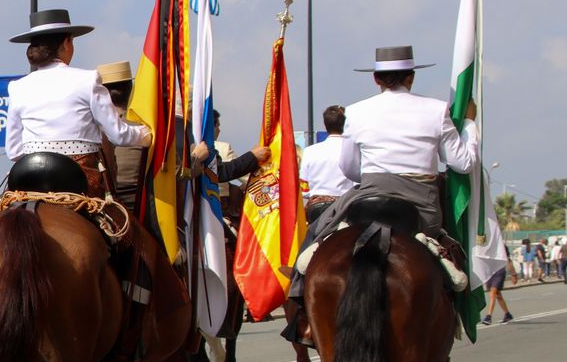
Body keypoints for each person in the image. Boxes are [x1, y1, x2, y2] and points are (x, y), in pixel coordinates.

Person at [286, 45, 478, 339]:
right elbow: (463, 163)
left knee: (318, 233)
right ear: (411, 77)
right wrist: (469, 124)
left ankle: (302, 312)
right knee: (454, 248)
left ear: (376, 79)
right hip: (420, 206)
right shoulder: (436, 109)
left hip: (368, 198)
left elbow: (349, 169)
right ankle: (452, 309)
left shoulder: (357, 112)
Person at [3, 8, 149, 199]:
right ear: (67, 43)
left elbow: (13, 150)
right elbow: (119, 135)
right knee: (118, 226)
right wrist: (146, 135)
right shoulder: (88, 80)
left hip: (31, 179)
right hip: (79, 178)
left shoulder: (17, 87)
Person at [98, 61, 143, 205]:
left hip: (100, 201)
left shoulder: (88, 129)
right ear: (131, 89)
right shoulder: (145, 127)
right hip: (137, 203)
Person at [191, 109, 270, 189]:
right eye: (217, 126)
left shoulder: (189, 143)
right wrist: (253, 156)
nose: (219, 130)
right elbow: (224, 172)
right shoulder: (223, 148)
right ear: (211, 127)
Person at [299, 104, 351, 222]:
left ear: (325, 124)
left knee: (307, 239)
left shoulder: (309, 151)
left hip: (316, 208)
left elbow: (304, 189)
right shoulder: (352, 150)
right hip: (344, 207)